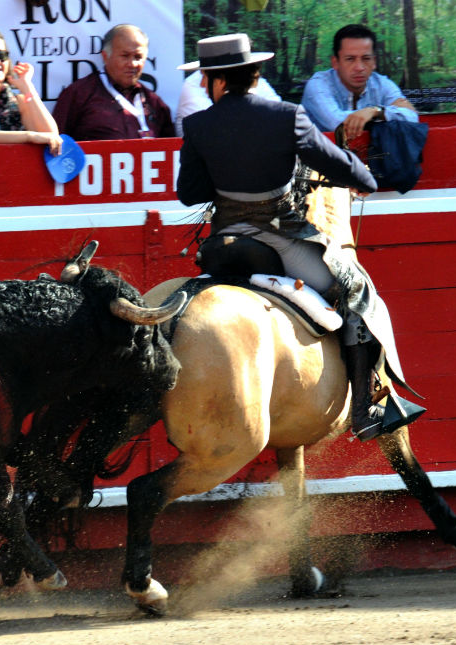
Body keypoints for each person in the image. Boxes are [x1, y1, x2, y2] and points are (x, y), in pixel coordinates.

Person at [177, 33, 422, 442]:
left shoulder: (197, 124)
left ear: (214, 79)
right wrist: (365, 179)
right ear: (253, 74)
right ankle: (366, 408)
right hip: (280, 238)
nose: (203, 85)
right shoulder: (287, 115)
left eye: (205, 78)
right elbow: (342, 166)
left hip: (223, 245)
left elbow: (191, 193)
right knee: (357, 289)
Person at [52, 23, 174, 141]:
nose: (132, 64)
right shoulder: (79, 95)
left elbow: (173, 152)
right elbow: (55, 145)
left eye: (138, 57)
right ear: (105, 57)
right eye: (125, 56)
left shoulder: (154, 103)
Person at [301, 24, 418, 144]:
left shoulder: (381, 83)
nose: (359, 67)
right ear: (335, 62)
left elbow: (412, 117)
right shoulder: (318, 85)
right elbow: (336, 123)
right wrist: (383, 115)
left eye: (366, 59)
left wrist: (376, 111)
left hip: (370, 159)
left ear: (374, 62)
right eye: (350, 59)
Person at [175, 68, 280, 137]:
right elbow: (214, 130)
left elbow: (275, 114)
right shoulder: (191, 85)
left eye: (204, 77)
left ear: (222, 80)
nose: (202, 85)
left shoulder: (257, 81)